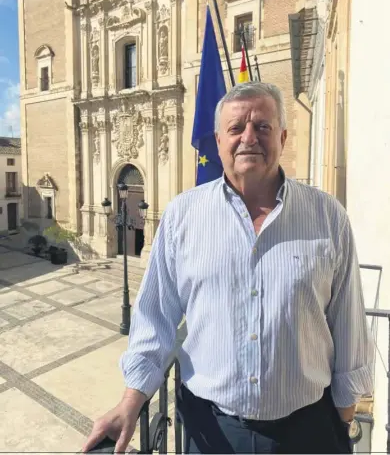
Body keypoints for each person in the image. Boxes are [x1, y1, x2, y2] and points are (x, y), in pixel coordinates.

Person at [83, 82, 374, 454]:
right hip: (211, 433)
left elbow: (348, 322)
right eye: (236, 128)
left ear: (283, 137)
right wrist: (131, 399)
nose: (248, 137)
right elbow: (155, 316)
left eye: (263, 127)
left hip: (308, 429)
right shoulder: (182, 216)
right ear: (219, 140)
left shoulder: (327, 216)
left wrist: (342, 420)